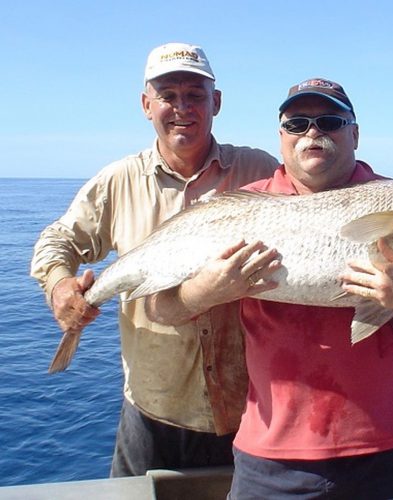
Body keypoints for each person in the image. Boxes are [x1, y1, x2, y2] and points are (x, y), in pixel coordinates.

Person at [146, 77, 393, 499]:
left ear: (355, 133)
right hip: (272, 460)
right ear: (281, 137)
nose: (313, 132)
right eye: (297, 124)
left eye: (330, 121)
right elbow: (158, 308)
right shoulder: (236, 209)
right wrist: (207, 291)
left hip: (390, 454)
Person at [30, 42, 279, 477]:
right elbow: (58, 239)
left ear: (216, 103)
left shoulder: (259, 169)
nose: (182, 108)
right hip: (152, 410)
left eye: (195, 95)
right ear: (147, 105)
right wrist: (59, 285)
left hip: (252, 412)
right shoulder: (118, 180)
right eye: (168, 96)